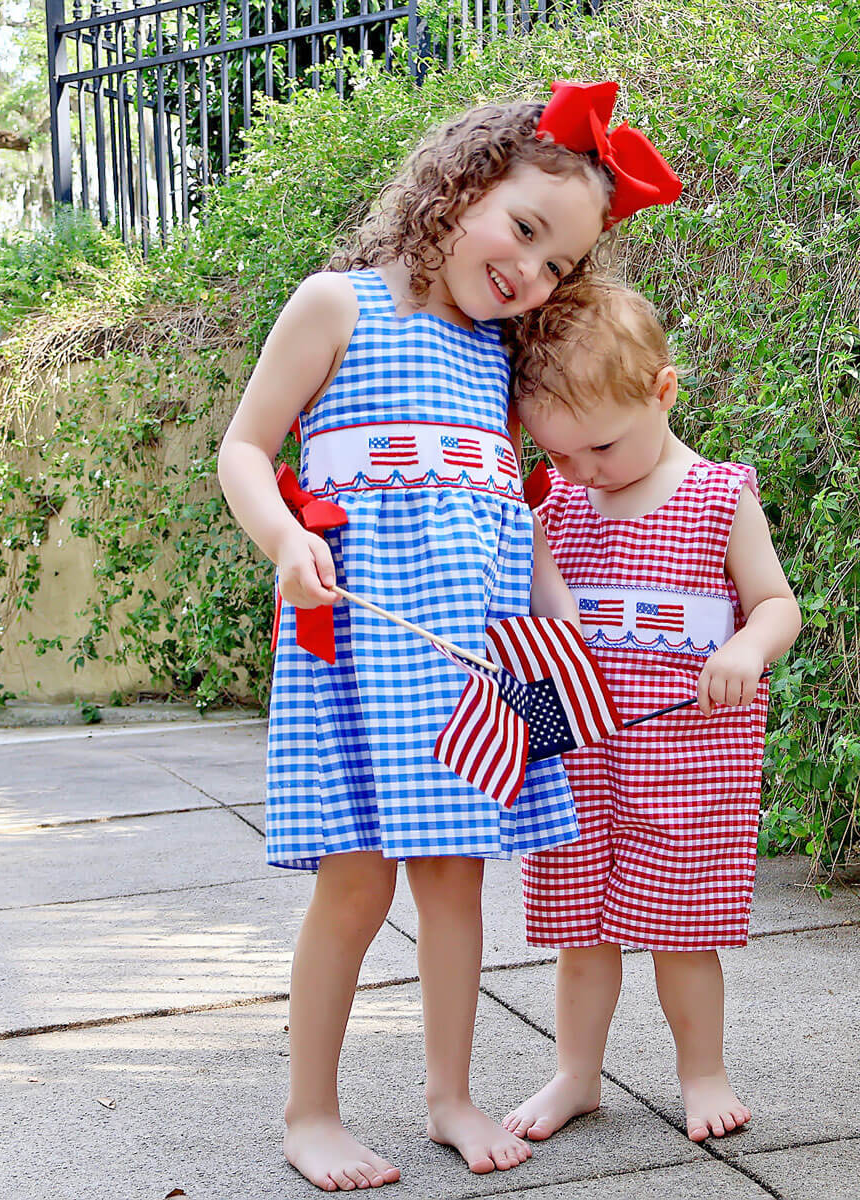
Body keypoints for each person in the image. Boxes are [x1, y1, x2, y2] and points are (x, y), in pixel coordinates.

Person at [217, 85, 681, 1191]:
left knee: (455, 879)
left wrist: (555, 592)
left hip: (463, 665)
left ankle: (449, 1095)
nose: (531, 272)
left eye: (560, 265)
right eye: (524, 230)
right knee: (357, 881)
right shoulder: (337, 306)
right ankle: (311, 1111)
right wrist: (283, 539)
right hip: (355, 647)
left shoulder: (497, 364)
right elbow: (241, 447)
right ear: (462, 184)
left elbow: (505, 507)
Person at [501, 276, 802, 1146]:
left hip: (688, 758)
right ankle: (577, 1075)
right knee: (581, 931)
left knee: (681, 927)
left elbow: (776, 603)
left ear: (663, 391)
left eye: (600, 447)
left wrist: (746, 647)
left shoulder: (717, 495)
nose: (583, 472)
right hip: (582, 754)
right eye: (558, 456)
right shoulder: (553, 508)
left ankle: (702, 1071)